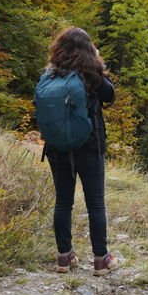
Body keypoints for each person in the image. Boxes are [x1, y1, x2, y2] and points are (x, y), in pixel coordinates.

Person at [42, 26, 117, 276]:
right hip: (89, 146)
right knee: (95, 203)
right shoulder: (90, 75)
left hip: (57, 148)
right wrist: (97, 62)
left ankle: (64, 257)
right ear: (87, 50)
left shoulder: (50, 74)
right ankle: (101, 260)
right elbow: (111, 95)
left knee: (63, 202)